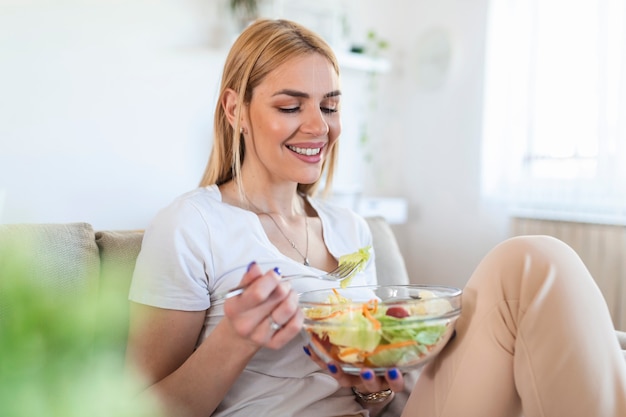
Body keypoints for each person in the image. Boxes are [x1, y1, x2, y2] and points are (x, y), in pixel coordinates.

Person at [125, 18, 626, 417]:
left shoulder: (350, 229)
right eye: (290, 106)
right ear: (236, 109)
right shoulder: (189, 226)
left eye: (329, 105)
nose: (318, 126)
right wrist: (236, 339)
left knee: (536, 260)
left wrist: (375, 386)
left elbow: (376, 392)